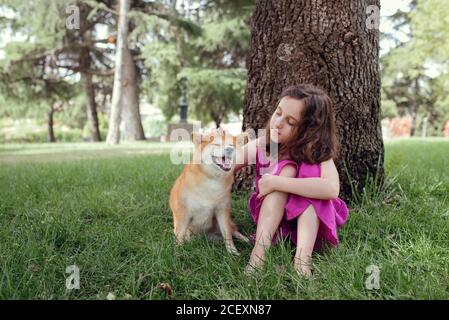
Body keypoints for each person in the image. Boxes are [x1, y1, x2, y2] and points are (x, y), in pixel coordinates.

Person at [234, 84, 349, 276]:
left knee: (309, 182)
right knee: (284, 173)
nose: (278, 123)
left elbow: (331, 189)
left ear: (309, 130)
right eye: (278, 113)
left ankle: (302, 262)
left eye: (291, 121)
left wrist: (276, 182)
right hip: (273, 220)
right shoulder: (265, 145)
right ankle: (258, 255)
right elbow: (226, 166)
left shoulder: (318, 152)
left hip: (313, 223)